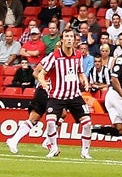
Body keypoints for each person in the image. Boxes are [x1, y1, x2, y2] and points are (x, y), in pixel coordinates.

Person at [7, 27, 91, 158]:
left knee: (42, 117)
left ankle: (25, 140)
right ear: (61, 42)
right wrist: (46, 83)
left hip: (62, 92)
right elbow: (37, 72)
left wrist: (83, 81)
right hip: (46, 91)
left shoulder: (75, 57)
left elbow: (79, 73)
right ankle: (48, 142)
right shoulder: (51, 57)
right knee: (51, 115)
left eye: (71, 38)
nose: (66, 42)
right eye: (64, 40)